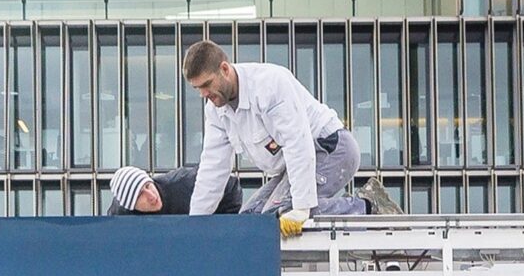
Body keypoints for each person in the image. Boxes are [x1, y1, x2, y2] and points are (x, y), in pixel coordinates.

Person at [182, 40, 367, 235]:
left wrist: (301, 209)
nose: (203, 94)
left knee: (277, 215)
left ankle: (367, 207)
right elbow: (213, 167)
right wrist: (195, 226)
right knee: (250, 219)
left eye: (207, 84)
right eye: (197, 89)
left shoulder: (268, 85)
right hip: (294, 164)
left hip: (331, 148)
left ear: (225, 69)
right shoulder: (216, 111)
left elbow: (297, 143)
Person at [106, 164, 242, 216]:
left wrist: (220, 226)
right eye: (140, 195)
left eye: (147, 186)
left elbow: (229, 183)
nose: (151, 195)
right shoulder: (121, 214)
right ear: (132, 206)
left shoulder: (184, 182)